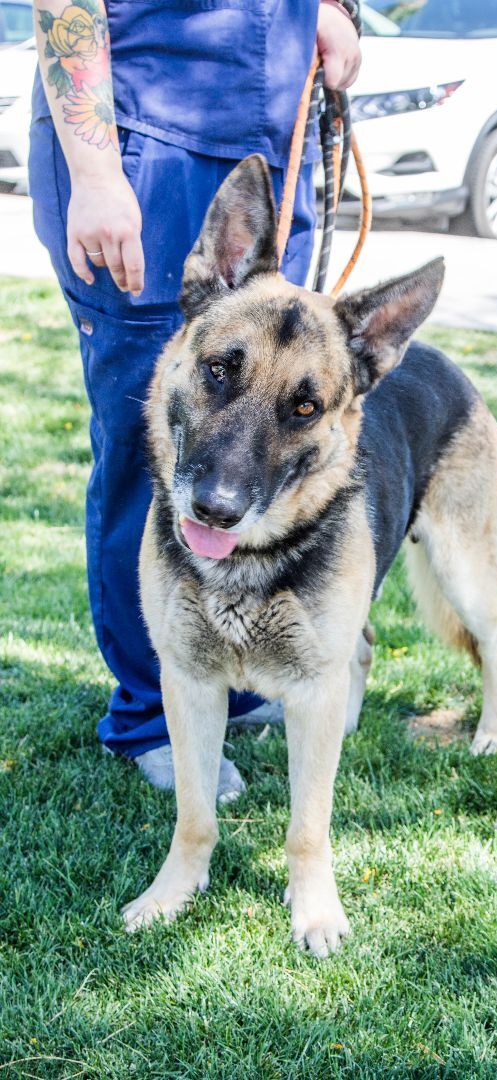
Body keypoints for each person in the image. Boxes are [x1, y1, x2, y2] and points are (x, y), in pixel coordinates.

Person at [29, 0, 361, 797]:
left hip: (275, 143)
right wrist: (97, 172)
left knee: (269, 440)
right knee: (151, 462)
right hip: (144, 153)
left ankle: (233, 684)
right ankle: (153, 711)